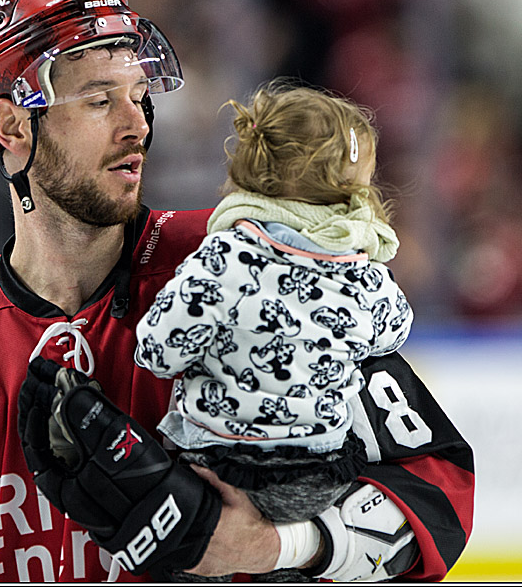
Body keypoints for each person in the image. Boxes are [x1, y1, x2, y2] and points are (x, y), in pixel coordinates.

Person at [0, 0, 473, 583]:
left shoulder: (247, 266)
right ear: (12, 127)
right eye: (99, 100)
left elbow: (436, 492)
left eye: (138, 96)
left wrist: (274, 546)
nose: (136, 124)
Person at [132, 82, 412, 581]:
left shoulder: (227, 257)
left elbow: (157, 350)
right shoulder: (364, 274)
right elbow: (392, 333)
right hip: (319, 478)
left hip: (216, 466)